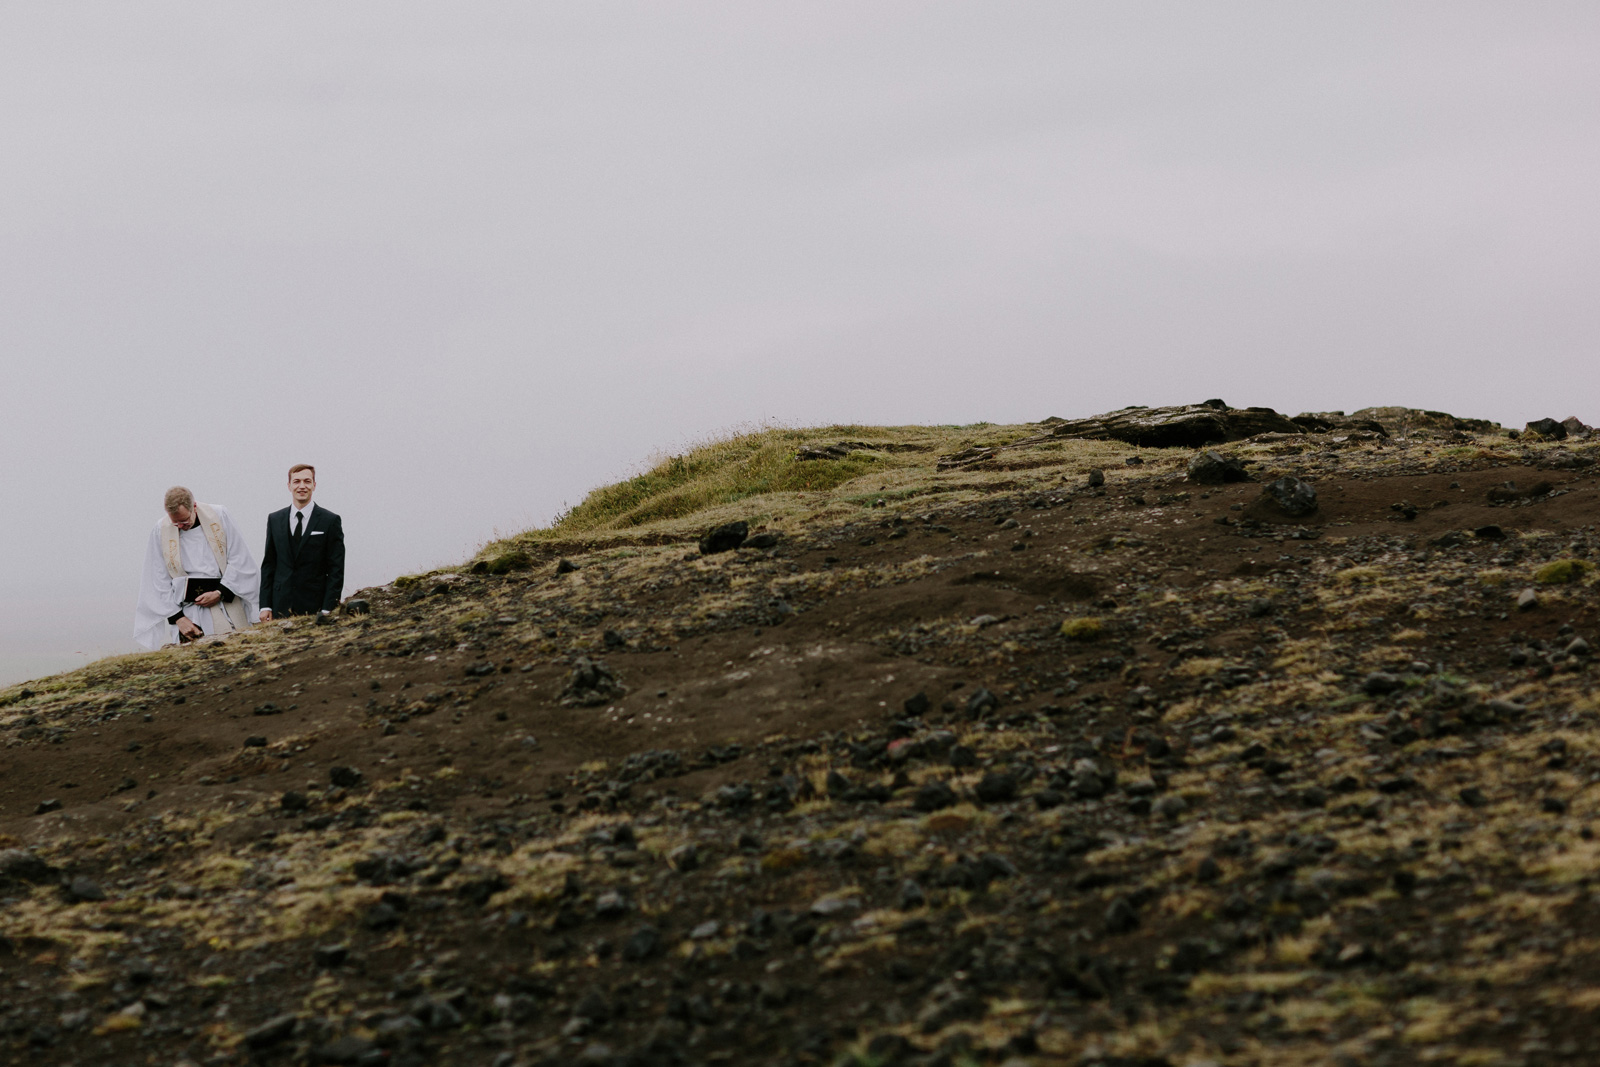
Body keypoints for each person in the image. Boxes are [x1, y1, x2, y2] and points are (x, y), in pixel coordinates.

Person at [133, 487, 261, 650]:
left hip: (225, 601)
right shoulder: (161, 529)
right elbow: (157, 579)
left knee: (235, 651)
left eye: (184, 521)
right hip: (189, 611)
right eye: (175, 522)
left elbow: (239, 557)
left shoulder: (219, 516)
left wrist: (220, 592)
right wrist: (178, 618)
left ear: (194, 507)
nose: (180, 526)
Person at [260, 464, 345, 620]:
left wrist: (328, 608)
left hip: (315, 606)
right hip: (280, 605)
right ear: (289, 486)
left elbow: (336, 569)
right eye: (296, 481)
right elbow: (269, 565)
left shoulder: (330, 520)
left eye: (307, 481)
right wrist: (265, 605)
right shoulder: (274, 519)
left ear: (314, 485)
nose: (302, 486)